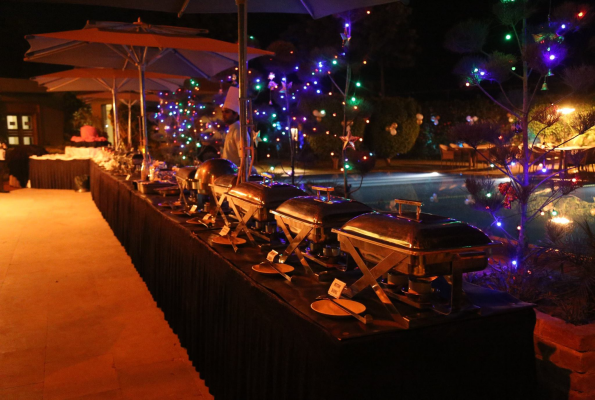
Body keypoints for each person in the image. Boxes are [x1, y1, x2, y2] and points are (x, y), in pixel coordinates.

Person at [221, 86, 250, 169]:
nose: (223, 115)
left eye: (227, 112)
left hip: (236, 175)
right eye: (222, 112)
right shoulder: (232, 129)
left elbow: (244, 159)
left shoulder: (238, 130)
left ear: (236, 114)